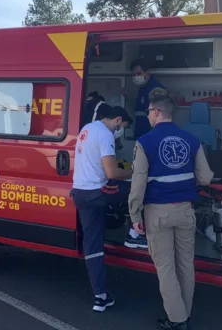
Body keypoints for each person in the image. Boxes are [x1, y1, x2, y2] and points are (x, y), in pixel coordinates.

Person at [127, 95, 214, 330]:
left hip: (158, 213)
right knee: (186, 264)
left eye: (148, 112)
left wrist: (135, 215)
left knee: (165, 268)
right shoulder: (191, 139)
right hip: (186, 211)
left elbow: (138, 183)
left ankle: (177, 320)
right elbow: (206, 177)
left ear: (156, 112)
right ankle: (184, 313)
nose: (146, 116)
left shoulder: (145, 142)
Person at [71, 104, 140, 312]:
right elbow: (111, 173)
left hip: (80, 193)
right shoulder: (106, 135)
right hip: (97, 192)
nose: (120, 131)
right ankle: (134, 233)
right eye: (123, 126)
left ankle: (100, 297)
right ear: (118, 120)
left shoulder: (87, 129)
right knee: (139, 188)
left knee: (92, 245)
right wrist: (136, 172)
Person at [126, 58, 169, 139]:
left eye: (139, 73)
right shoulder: (142, 88)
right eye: (133, 75)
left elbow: (161, 114)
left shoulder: (156, 89)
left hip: (152, 133)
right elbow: (139, 109)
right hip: (141, 131)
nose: (136, 77)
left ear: (147, 72)